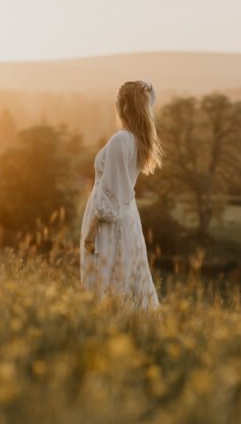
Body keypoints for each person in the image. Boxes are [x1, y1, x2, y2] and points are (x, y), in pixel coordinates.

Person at [79, 80, 163, 309]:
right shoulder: (138, 139)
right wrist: (147, 91)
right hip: (127, 217)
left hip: (110, 222)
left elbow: (110, 194)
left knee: (108, 276)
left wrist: (91, 232)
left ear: (123, 106)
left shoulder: (121, 140)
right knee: (128, 277)